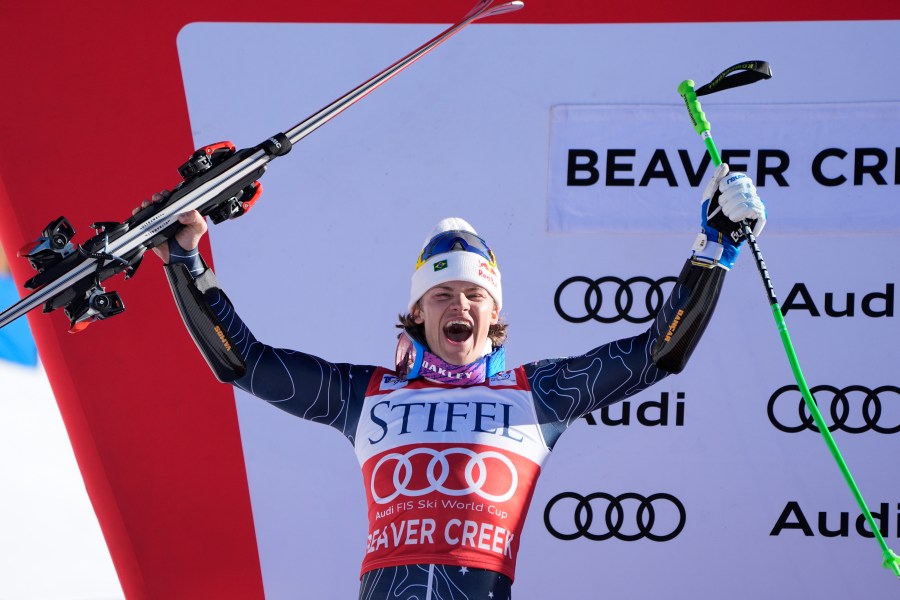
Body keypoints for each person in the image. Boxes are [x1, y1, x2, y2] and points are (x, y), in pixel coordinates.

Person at [140, 162, 765, 599]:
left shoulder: (537, 394)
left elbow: (659, 353)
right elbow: (243, 363)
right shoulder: (366, 395)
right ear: (417, 312)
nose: (458, 305)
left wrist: (714, 248)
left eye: (474, 294)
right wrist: (185, 260)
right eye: (441, 294)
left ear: (494, 313)